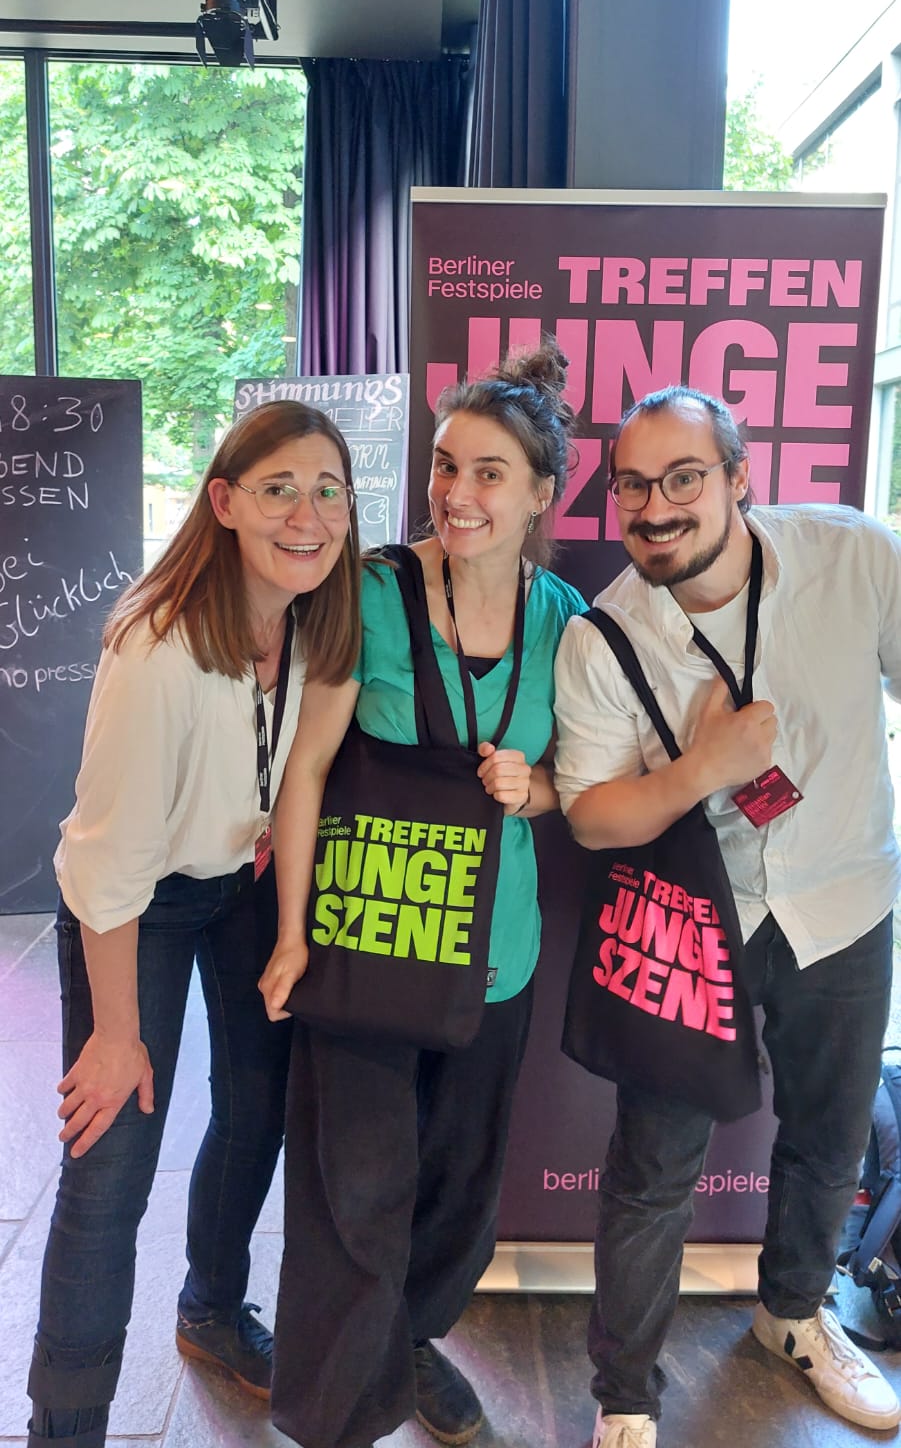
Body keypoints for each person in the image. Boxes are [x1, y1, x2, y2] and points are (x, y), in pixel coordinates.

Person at [553, 385, 901, 1448]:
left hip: (844, 901)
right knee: (653, 1165)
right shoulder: (603, 634)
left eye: (682, 478)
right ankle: (624, 1390)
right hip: (694, 925)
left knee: (830, 1134)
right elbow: (591, 816)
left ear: (739, 477)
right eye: (632, 486)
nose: (654, 508)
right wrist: (703, 768)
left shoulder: (852, 556)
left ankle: (792, 1315)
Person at [258, 341, 586, 1448]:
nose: (456, 492)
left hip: (495, 950)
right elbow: (305, 767)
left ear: (541, 493)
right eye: (446, 465)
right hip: (367, 934)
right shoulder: (370, 590)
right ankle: (338, 1410)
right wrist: (291, 935)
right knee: (354, 1187)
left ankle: (408, 1342)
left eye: (489, 472)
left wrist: (534, 788)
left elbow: (581, 782)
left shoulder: (563, 618)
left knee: (459, 1185)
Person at [26, 401, 361, 1448]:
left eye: (329, 491)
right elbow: (107, 865)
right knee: (112, 1157)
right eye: (278, 490)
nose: (308, 516)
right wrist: (115, 1033)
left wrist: (282, 905)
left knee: (259, 1106)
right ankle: (68, 1421)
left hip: (243, 881)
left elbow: (290, 774)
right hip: (139, 902)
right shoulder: (157, 647)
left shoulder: (315, 618)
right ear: (222, 501)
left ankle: (211, 1309)